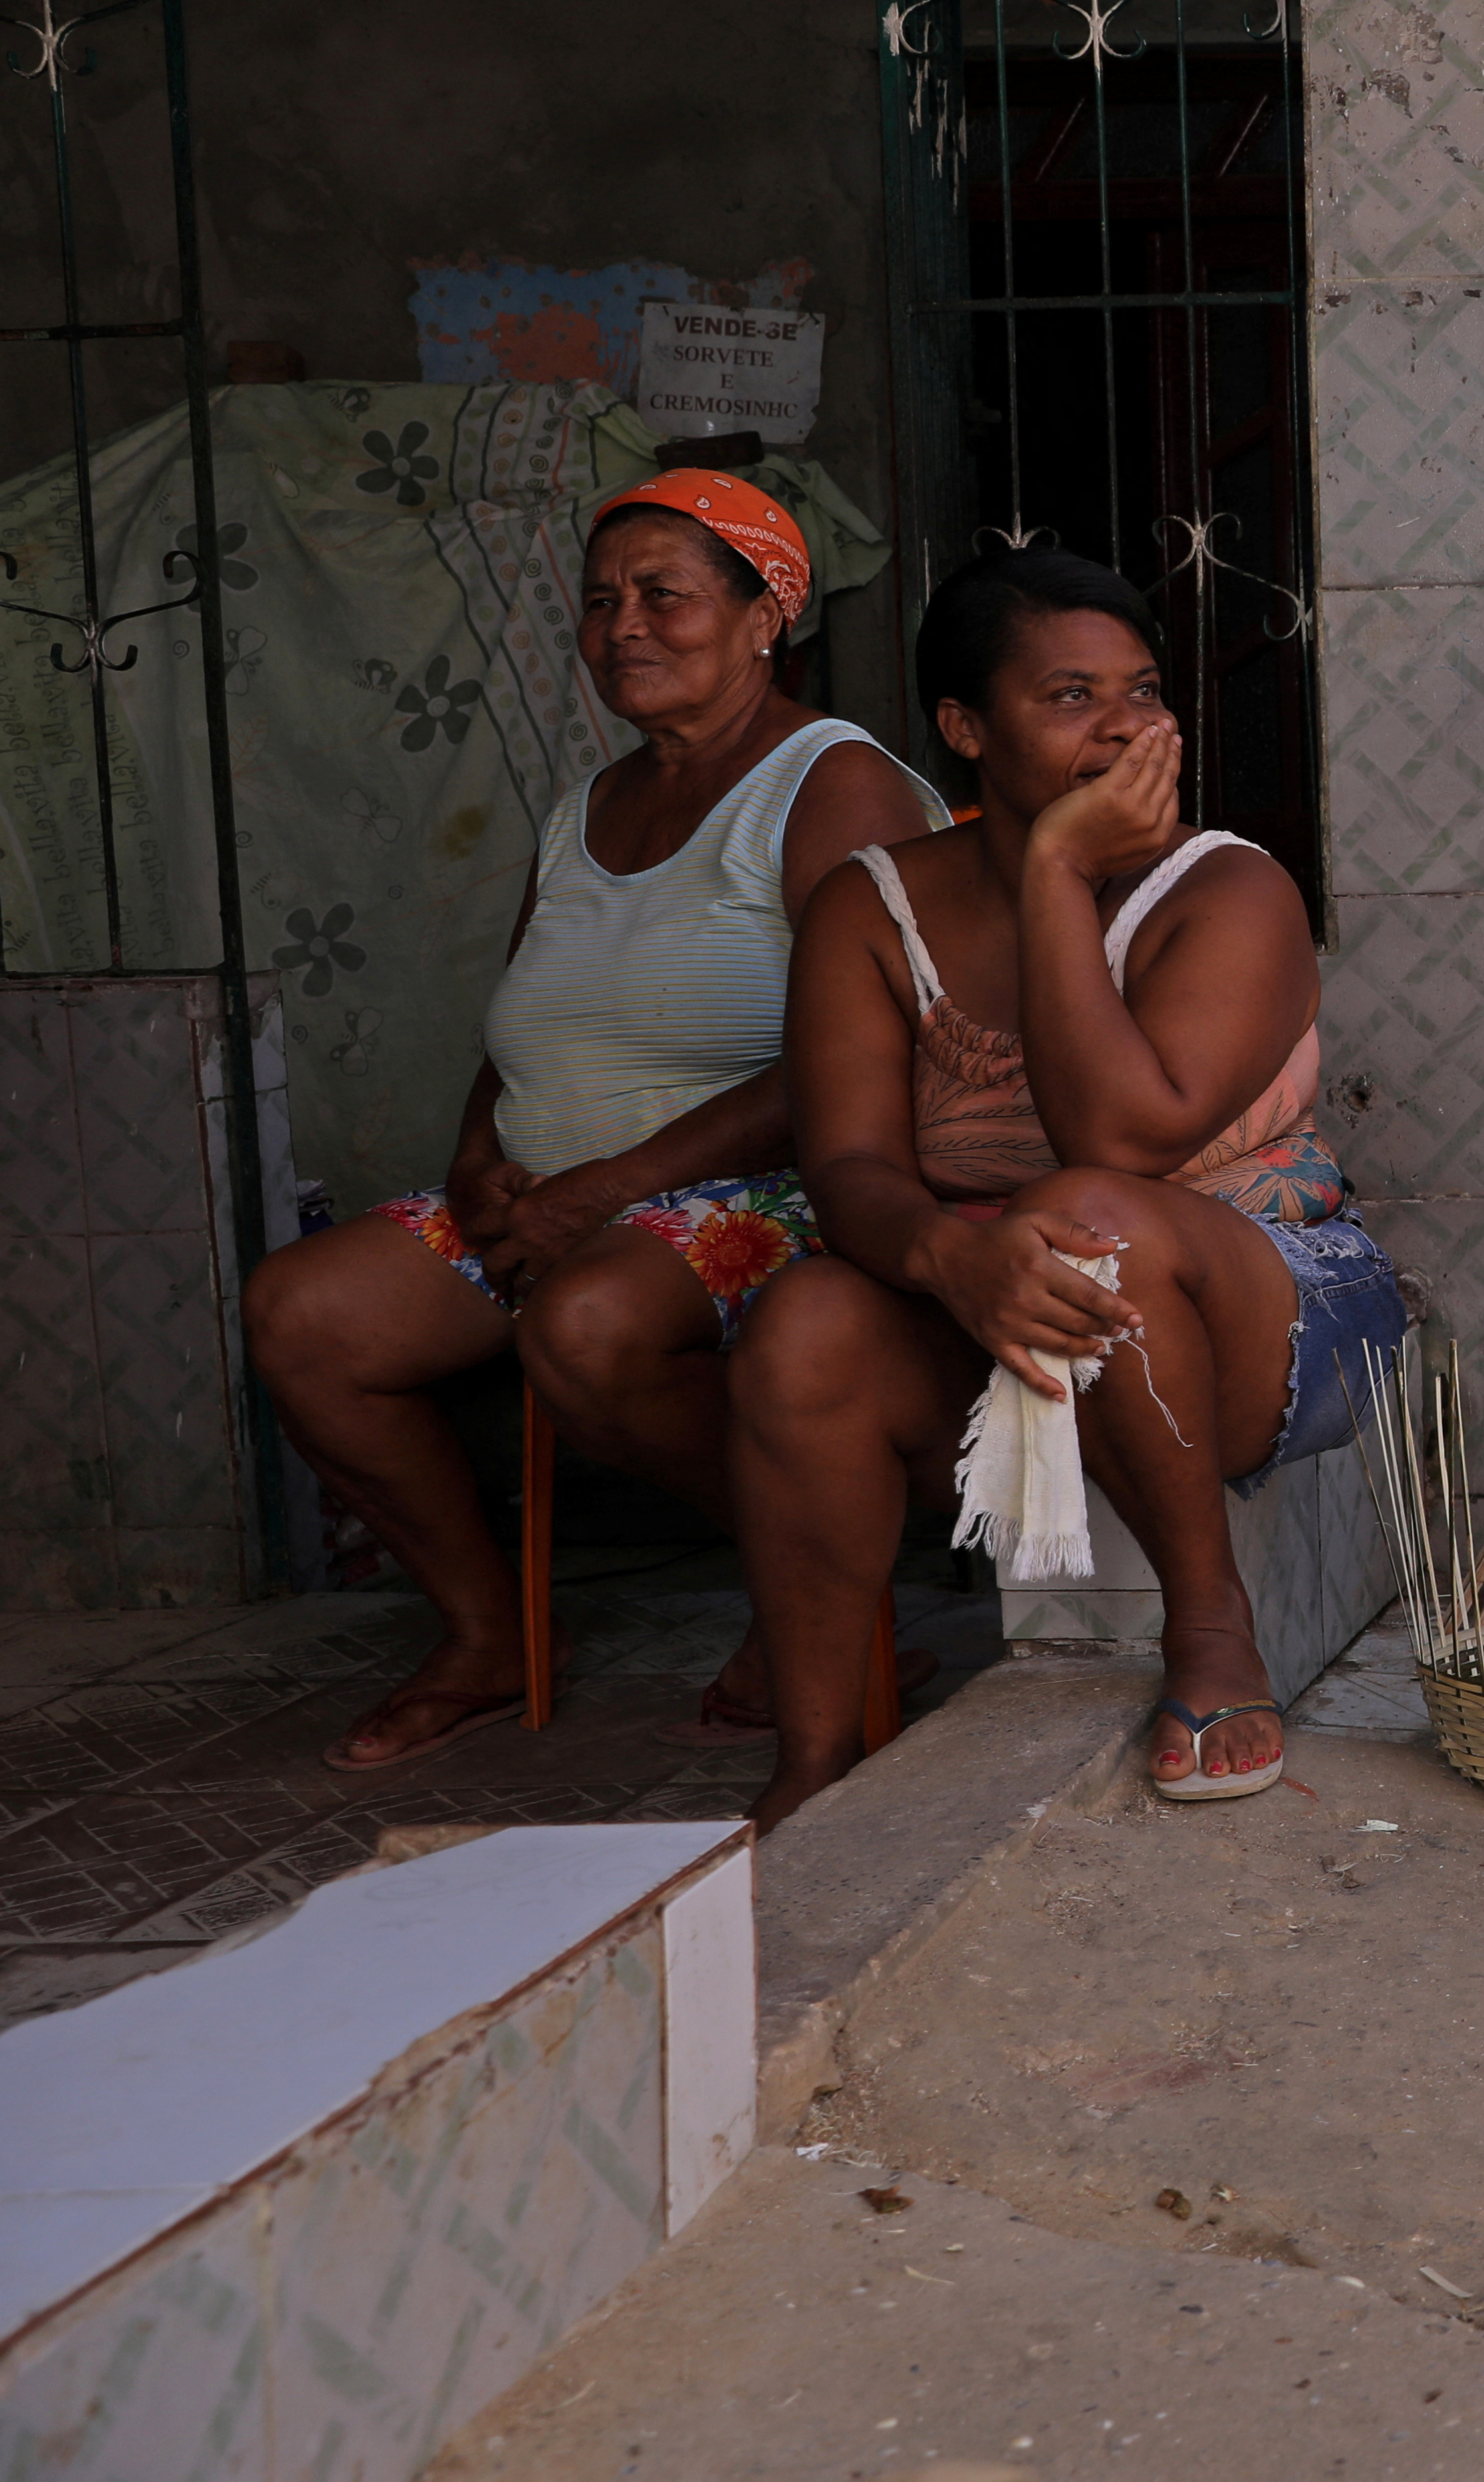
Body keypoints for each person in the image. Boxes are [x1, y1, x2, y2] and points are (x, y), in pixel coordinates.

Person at [242, 471, 945, 1771]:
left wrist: (609, 1188)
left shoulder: (832, 781)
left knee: (588, 1323)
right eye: (602, 599)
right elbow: (526, 1025)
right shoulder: (585, 808)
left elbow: (862, 1057)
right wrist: (479, 1164)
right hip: (563, 1193)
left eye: (664, 594)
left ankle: (818, 1601)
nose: (624, 625)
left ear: (765, 616)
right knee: (304, 1314)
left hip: (783, 1191)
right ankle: (490, 1631)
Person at [725, 547, 1400, 1830]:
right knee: (803, 1322)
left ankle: (1212, 1625)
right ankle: (815, 1757)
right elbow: (851, 1170)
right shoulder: (870, 909)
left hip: (1265, 1310)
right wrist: (951, 1259)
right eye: (1072, 697)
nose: (1127, 727)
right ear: (965, 727)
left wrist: (1052, 873)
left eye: (1142, 691)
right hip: (1007, 1309)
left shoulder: (1230, 888)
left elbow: (1119, 1140)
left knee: (1084, 1210)